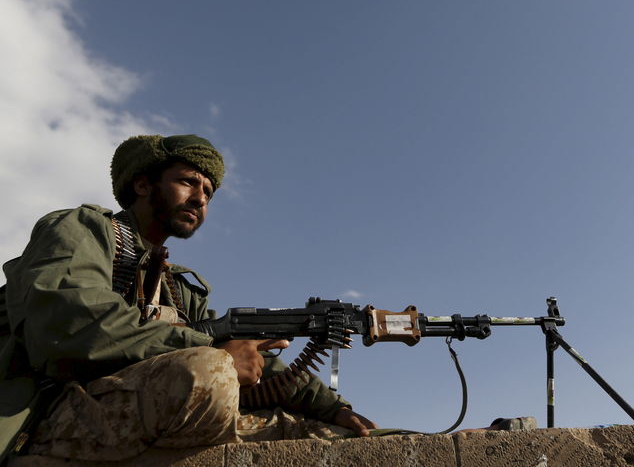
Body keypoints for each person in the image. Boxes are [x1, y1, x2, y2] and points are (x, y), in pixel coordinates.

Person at [0, 134, 377, 462]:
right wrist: (214, 350)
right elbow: (67, 325)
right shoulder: (84, 230)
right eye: (187, 182)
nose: (200, 199)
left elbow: (243, 356)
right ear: (144, 185)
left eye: (208, 193)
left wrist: (332, 407)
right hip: (47, 412)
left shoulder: (179, 289)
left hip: (135, 409)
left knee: (332, 438)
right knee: (206, 372)